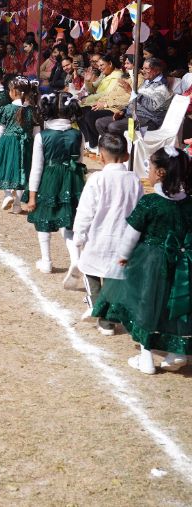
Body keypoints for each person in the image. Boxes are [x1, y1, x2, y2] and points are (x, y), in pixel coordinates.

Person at [91, 147, 192, 374]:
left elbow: (131, 234)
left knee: (146, 305)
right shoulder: (189, 203)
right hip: (183, 261)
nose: (147, 171)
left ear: (161, 173)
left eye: (150, 167)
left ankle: (146, 356)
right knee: (175, 306)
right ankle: (178, 351)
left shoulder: (150, 203)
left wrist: (123, 257)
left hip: (151, 262)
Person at [73, 134, 143, 334]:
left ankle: (102, 317)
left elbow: (86, 210)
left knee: (90, 272)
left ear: (101, 156)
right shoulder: (134, 180)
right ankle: (110, 316)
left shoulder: (97, 179)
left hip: (99, 237)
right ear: (126, 156)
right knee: (114, 278)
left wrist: (79, 235)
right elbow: (139, 209)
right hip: (124, 238)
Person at [19, 92, 86, 276]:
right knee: (69, 221)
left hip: (49, 178)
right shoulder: (78, 135)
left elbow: (36, 168)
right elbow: (79, 160)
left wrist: (32, 196)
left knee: (44, 219)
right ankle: (76, 259)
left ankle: (47, 261)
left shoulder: (43, 136)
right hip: (73, 179)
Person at [0, 77, 41, 213]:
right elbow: (37, 132)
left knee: (8, 169)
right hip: (27, 144)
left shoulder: (7, 109)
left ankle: (8, 194)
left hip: (8, 143)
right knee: (22, 172)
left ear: (14, 91)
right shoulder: (32, 110)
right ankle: (17, 205)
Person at [96, 58, 173, 138]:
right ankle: (111, 147)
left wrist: (132, 92)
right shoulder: (147, 82)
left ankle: (120, 149)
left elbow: (152, 106)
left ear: (157, 71)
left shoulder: (162, 87)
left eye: (147, 69)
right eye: (143, 68)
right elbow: (134, 101)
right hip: (132, 115)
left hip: (148, 121)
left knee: (114, 127)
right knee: (100, 123)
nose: (143, 71)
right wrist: (123, 111)